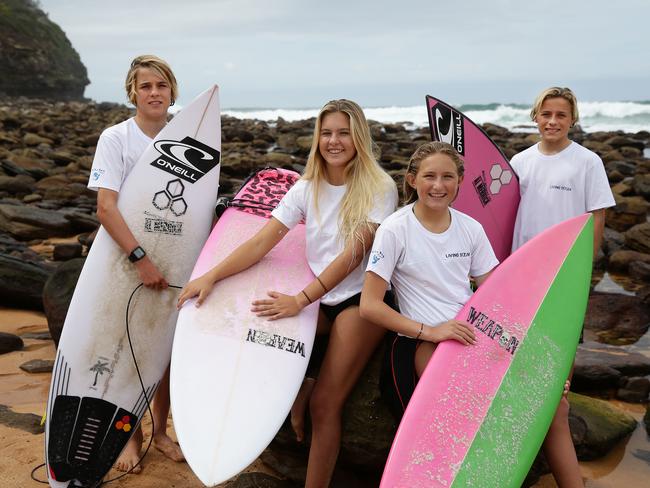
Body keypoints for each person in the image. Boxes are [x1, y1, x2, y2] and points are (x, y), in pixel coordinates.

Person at [177, 99, 398, 487]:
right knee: (256, 333)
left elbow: (353, 255)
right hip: (319, 300)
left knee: (325, 405)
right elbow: (263, 241)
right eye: (326, 133)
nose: (334, 141)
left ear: (358, 137)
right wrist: (211, 276)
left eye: (343, 133)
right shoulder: (306, 187)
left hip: (358, 300)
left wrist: (300, 300)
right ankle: (302, 381)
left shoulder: (380, 187)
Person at [510, 86, 615, 488]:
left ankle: (556, 427)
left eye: (561, 115)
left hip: (564, 276)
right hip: (522, 273)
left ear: (573, 120)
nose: (552, 121)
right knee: (521, 352)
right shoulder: (520, 162)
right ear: (535, 117)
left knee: (560, 363)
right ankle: (527, 437)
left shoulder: (587, 162)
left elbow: (596, 220)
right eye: (546, 114)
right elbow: (506, 218)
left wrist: (579, 276)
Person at [87, 54, 185, 473]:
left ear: (172, 91)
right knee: (127, 350)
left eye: (161, 85)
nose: (154, 93)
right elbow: (106, 209)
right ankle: (131, 434)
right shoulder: (116, 138)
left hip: (176, 261)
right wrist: (140, 259)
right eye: (146, 86)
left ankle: (160, 431)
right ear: (133, 92)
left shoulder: (186, 141)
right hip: (126, 261)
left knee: (164, 352)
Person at [359, 141, 498, 417]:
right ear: (412, 180)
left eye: (447, 177)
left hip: (467, 335)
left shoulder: (471, 228)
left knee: (551, 407)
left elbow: (496, 295)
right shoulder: (394, 230)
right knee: (452, 410)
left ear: (459, 181)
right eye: (429, 176)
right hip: (420, 339)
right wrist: (431, 332)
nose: (438, 185)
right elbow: (369, 305)